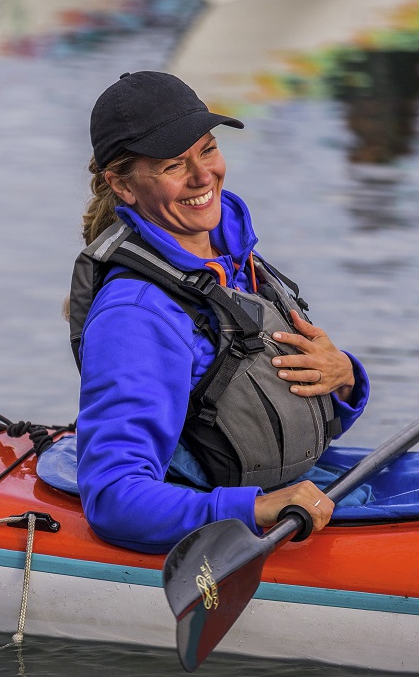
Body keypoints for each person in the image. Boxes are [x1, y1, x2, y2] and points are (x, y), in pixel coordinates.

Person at [68, 71, 370, 554]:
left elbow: (259, 425)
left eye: (207, 150)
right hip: (226, 515)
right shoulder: (137, 314)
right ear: (122, 185)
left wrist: (344, 379)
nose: (202, 176)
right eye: (172, 165)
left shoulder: (232, 260)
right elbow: (112, 498)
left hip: (297, 489)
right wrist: (253, 510)